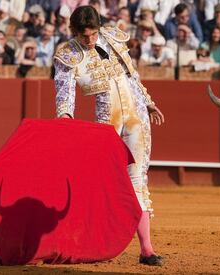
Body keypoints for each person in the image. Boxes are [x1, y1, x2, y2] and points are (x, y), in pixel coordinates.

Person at [53, 6, 165, 266]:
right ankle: (81, 241)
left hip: (137, 117)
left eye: (93, 34)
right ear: (74, 33)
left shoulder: (113, 38)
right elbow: (64, 91)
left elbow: (131, 74)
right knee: (97, 182)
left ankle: (147, 250)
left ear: (99, 28)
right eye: (84, 37)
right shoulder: (68, 54)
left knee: (138, 180)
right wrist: (65, 117)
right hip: (107, 125)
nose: (90, 40)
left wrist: (148, 102)